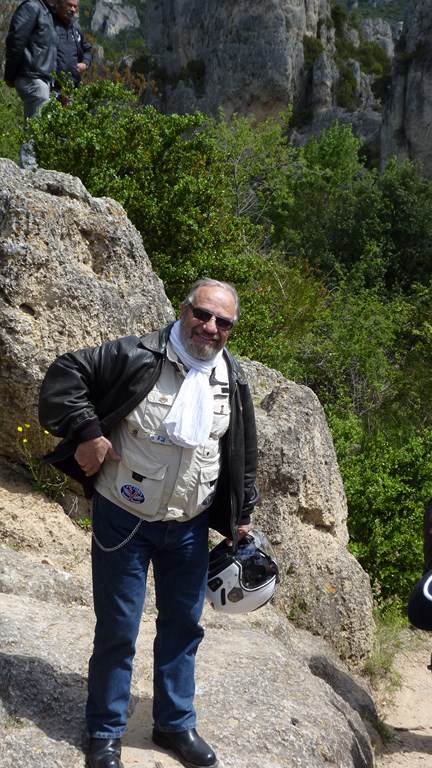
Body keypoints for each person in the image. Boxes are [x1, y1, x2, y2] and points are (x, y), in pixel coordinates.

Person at [38, 278, 259, 768]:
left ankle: (174, 724)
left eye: (223, 322)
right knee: (118, 628)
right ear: (185, 310)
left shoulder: (231, 377)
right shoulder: (138, 355)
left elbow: (241, 450)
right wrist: (88, 432)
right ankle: (105, 731)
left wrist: (241, 514)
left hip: (190, 527)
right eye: (203, 314)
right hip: (125, 518)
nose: (211, 327)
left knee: (183, 627)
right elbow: (65, 375)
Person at [4, 0, 58, 167]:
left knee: (41, 127)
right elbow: (16, 40)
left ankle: (33, 167)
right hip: (32, 76)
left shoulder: (46, 12)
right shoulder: (32, 7)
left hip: (41, 78)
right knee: (35, 127)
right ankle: (29, 169)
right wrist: (10, 74)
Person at [52, 0, 92, 100]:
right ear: (59, 4)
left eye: (75, 6)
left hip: (71, 89)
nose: (73, 9)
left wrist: (85, 63)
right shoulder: (50, 24)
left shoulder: (76, 28)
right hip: (50, 87)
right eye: (69, 5)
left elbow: (87, 49)